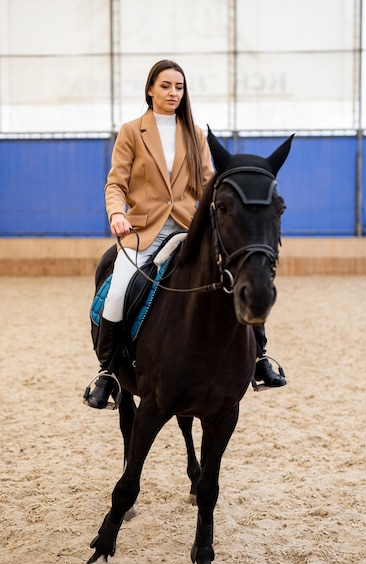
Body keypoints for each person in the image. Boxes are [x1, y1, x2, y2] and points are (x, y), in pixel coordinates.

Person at [85, 59, 285, 410]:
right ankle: (108, 375)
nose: (173, 93)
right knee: (117, 293)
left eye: (178, 87)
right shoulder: (132, 132)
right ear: (150, 90)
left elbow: (208, 184)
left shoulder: (195, 134)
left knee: (234, 280)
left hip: (187, 228)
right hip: (143, 231)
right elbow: (115, 183)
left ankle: (259, 359)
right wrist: (117, 213)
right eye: (165, 86)